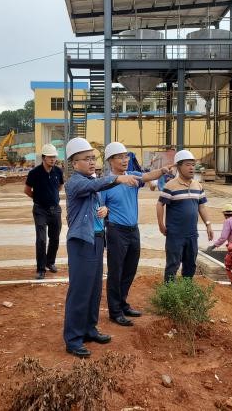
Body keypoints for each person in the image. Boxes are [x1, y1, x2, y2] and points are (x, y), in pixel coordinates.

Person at [63, 137, 140, 358]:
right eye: (86, 159)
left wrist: (104, 211)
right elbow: (94, 186)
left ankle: (89, 328)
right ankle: (73, 338)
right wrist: (118, 178)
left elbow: (95, 202)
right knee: (80, 290)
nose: (91, 162)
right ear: (74, 163)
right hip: (82, 242)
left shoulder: (91, 180)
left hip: (96, 239)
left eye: (92, 158)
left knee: (94, 288)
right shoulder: (75, 182)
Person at [100, 142, 172, 327]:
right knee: (116, 272)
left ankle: (122, 303)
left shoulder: (132, 176)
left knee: (130, 269)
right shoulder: (106, 183)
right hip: (116, 231)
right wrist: (104, 211)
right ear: (110, 161)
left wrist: (162, 170)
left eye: (126, 156)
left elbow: (147, 176)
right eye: (120, 157)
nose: (125, 160)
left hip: (133, 230)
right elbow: (100, 206)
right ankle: (115, 311)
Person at [156, 150, 213, 282]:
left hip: (192, 234)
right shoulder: (170, 186)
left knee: (190, 264)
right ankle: (169, 291)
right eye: (188, 165)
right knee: (173, 264)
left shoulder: (198, 186)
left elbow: (202, 207)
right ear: (178, 166)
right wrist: (161, 225)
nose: (191, 168)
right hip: (175, 234)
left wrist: (208, 224)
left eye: (193, 165)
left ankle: (186, 289)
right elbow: (160, 204)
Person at [24, 144, 64, 280]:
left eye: (54, 157)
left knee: (55, 238)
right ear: (43, 157)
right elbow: (27, 190)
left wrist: (51, 196)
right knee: (41, 239)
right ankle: (41, 269)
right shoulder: (34, 173)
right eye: (50, 157)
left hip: (55, 210)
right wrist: (38, 198)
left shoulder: (58, 171)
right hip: (40, 210)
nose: (53, 159)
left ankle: (50, 262)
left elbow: (60, 186)